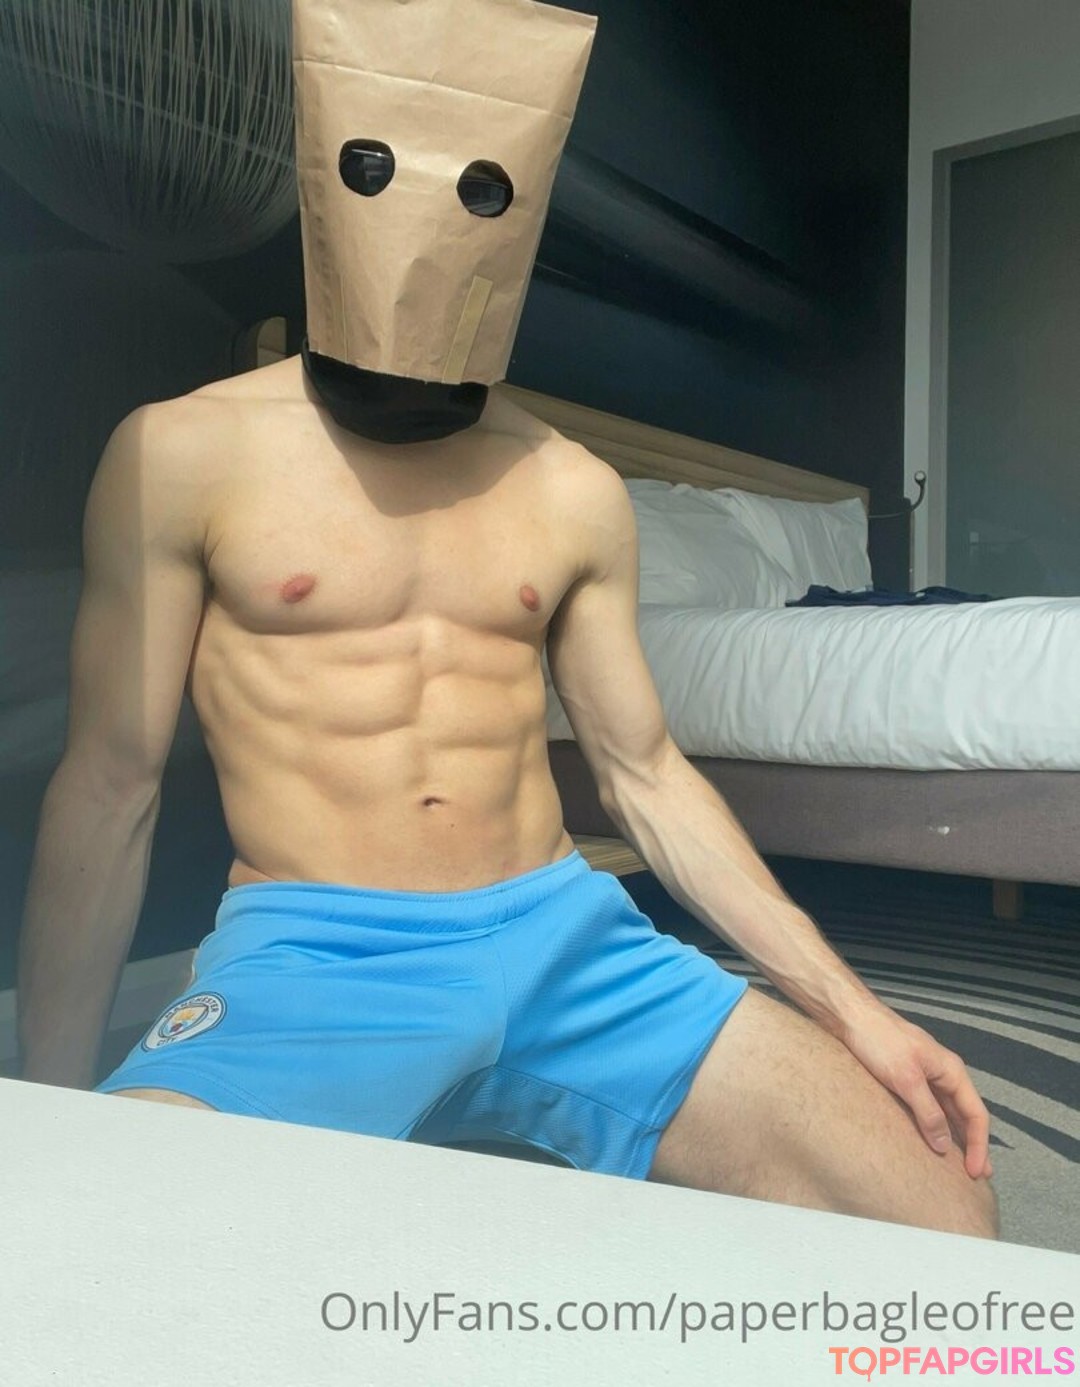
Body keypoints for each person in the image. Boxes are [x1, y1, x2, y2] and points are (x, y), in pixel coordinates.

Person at [18, 0, 996, 1238]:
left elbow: (646, 773)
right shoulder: (180, 453)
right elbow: (111, 783)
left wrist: (860, 1013)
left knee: (941, 1206)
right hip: (322, 951)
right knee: (102, 1250)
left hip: (566, 933)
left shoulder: (572, 485)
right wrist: (49, 1112)